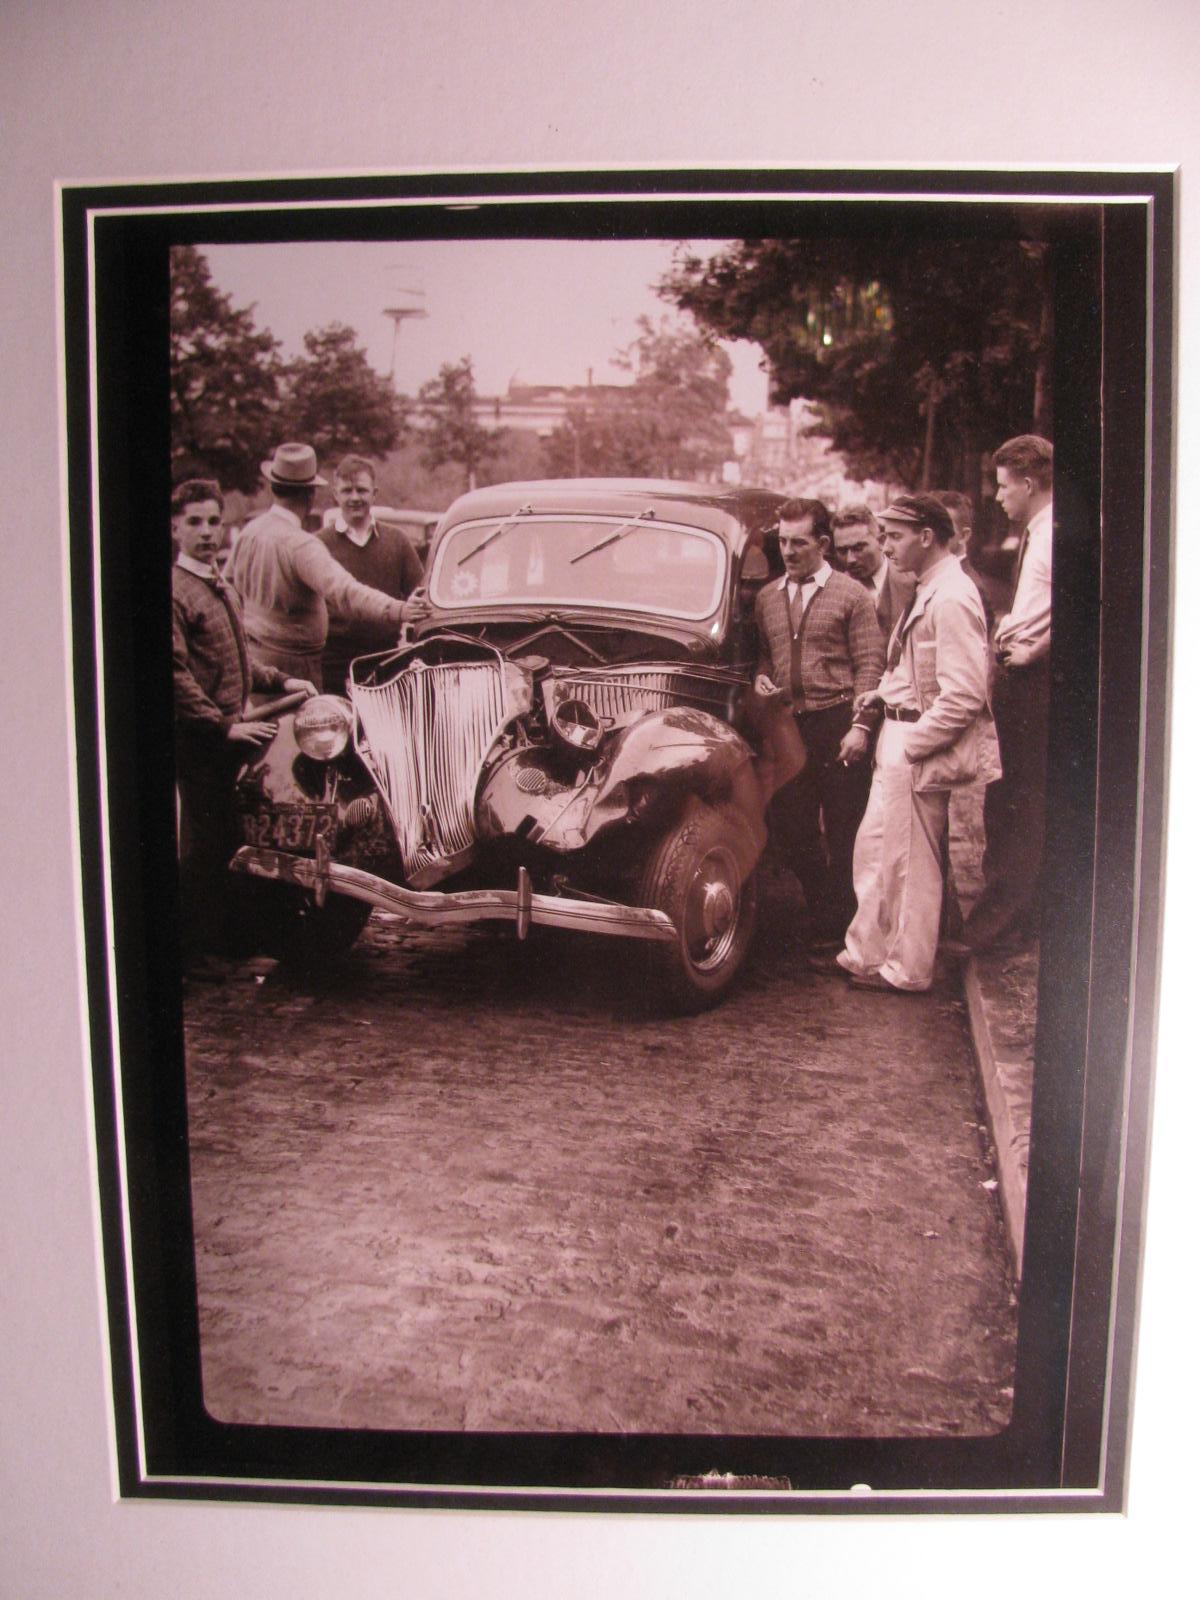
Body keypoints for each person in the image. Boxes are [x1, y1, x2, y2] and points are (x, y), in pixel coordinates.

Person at [834, 493, 990, 993]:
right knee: (877, 851)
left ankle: (907, 969)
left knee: (909, 863)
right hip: (898, 731)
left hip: (915, 740)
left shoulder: (952, 597)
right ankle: (867, 954)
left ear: (927, 537)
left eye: (894, 536)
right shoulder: (929, 588)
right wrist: (880, 697)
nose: (887, 546)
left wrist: (914, 742)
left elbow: (965, 693)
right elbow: (910, 667)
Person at [171, 478, 315, 973]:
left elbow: (239, 659)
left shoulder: (219, 584)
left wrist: (281, 678)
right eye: (194, 522)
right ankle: (193, 954)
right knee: (205, 845)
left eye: (214, 521)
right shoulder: (176, 591)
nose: (207, 532)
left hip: (229, 734)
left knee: (234, 840)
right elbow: (173, 674)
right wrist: (221, 726)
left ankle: (230, 945)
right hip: (200, 740)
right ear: (174, 528)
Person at [754, 497, 884, 948]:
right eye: (782, 542)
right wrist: (761, 679)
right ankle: (824, 909)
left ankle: (841, 926)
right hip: (790, 726)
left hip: (838, 722)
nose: (788, 551)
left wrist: (861, 726)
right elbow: (766, 655)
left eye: (799, 542)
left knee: (847, 827)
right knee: (791, 829)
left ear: (823, 544)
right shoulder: (767, 598)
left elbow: (871, 664)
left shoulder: (852, 595)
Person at [227, 442, 414, 691]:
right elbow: (345, 592)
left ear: (273, 487)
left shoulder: (249, 533)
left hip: (254, 664)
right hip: (295, 666)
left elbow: (226, 588)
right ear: (310, 495)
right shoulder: (302, 544)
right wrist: (398, 610)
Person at [963, 435, 1053, 952]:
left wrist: (1036, 649)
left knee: (1018, 798)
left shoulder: (1054, 532)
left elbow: (1083, 603)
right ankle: (1011, 917)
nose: (998, 497)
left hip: (1032, 679)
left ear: (1027, 482)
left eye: (1003, 486)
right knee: (1010, 794)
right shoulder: (1037, 531)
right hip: (1019, 672)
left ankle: (1002, 924)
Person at [318, 454, 429, 692]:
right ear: (335, 494)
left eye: (362, 490)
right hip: (332, 664)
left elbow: (421, 593)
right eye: (347, 491)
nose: (355, 497)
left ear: (374, 494)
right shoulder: (319, 545)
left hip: (386, 659)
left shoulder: (397, 541)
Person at [831, 503, 915, 638]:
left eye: (859, 548)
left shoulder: (913, 583)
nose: (850, 559)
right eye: (842, 551)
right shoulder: (834, 593)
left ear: (881, 541)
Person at [932, 489, 1001, 634]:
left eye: (944, 527)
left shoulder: (971, 585)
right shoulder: (933, 575)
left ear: (964, 536)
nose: (933, 535)